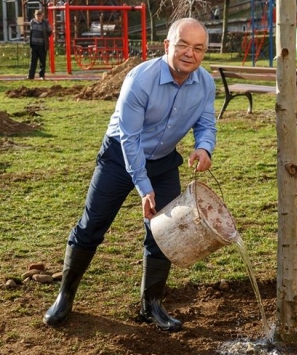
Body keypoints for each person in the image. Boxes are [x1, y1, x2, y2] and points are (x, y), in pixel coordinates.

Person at [43, 18, 217, 332]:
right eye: (182, 45)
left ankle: (151, 305)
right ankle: (65, 296)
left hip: (163, 161)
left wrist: (204, 148)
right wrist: (143, 188)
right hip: (119, 158)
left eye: (198, 48)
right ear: (167, 46)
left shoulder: (205, 83)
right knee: (92, 225)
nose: (190, 53)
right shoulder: (141, 79)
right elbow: (130, 140)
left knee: (163, 234)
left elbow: (206, 124)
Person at [28, 10, 52, 80]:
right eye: (37, 15)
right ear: (34, 15)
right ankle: (31, 76)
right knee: (33, 61)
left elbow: (50, 32)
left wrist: (45, 38)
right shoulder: (32, 22)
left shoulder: (45, 23)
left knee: (42, 61)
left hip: (42, 45)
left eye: (40, 15)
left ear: (42, 15)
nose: (39, 17)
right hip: (34, 45)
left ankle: (42, 75)